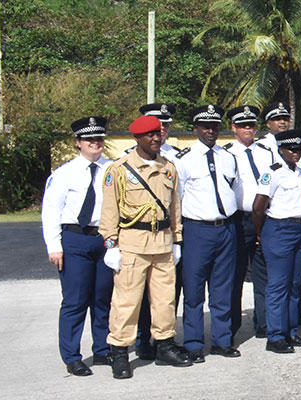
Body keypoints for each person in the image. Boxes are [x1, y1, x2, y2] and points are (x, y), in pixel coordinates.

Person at [100, 115, 190, 379]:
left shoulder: (169, 168)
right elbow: (109, 210)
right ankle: (119, 352)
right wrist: (111, 244)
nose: (155, 138)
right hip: (132, 245)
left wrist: (177, 239)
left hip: (162, 243)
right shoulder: (119, 169)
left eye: (158, 134)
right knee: (126, 303)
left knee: (165, 301)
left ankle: (164, 346)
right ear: (137, 138)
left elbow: (174, 207)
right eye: (150, 135)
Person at [43, 116, 114, 376]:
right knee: (75, 301)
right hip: (74, 239)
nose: (95, 143)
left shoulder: (113, 169)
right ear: (78, 143)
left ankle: (103, 349)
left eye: (99, 138)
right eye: (89, 139)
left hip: (104, 238)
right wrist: (54, 246)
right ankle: (72, 356)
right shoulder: (64, 174)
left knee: (102, 298)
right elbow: (51, 210)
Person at [174, 105, 240, 361]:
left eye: (214, 126)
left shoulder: (227, 157)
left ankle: (222, 341)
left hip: (225, 229)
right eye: (205, 126)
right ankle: (193, 344)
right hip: (197, 230)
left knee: (222, 289)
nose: (211, 131)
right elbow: (176, 201)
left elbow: (233, 190)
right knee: (193, 291)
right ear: (196, 129)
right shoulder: (184, 159)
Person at [253, 128, 301, 353]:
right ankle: (275, 336)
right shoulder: (273, 172)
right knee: (278, 285)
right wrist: (262, 234)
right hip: (279, 229)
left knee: (295, 285)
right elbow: (258, 208)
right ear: (281, 150)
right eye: (291, 149)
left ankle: (290, 331)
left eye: (298, 149)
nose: (295, 153)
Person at [131, 103, 182, 361]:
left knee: (166, 294)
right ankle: (142, 340)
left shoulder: (176, 158)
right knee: (136, 296)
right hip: (137, 239)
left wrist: (177, 237)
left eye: (165, 125)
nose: (161, 130)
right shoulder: (129, 160)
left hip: (165, 238)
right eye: (156, 125)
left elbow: (176, 201)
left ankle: (165, 342)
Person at [223, 105, 273, 339]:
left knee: (264, 274)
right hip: (239, 220)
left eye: (251, 125)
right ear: (233, 128)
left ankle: (264, 323)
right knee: (234, 275)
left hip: (263, 218)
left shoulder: (266, 152)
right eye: (242, 125)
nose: (247, 129)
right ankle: (230, 327)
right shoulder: (226, 154)